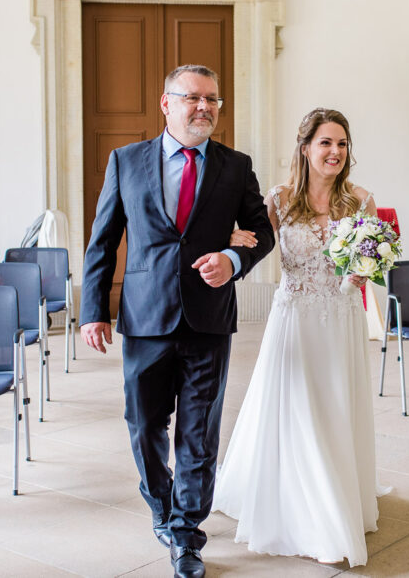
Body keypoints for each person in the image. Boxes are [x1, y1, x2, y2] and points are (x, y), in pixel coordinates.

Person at [79, 64, 274, 578]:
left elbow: (261, 231)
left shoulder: (236, 167)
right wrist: (93, 310)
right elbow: (102, 242)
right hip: (145, 316)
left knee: (198, 431)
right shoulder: (126, 161)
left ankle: (187, 533)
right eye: (192, 98)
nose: (204, 107)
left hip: (209, 317)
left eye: (212, 100)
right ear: (166, 103)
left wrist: (232, 262)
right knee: (144, 425)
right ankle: (161, 506)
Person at [212, 108, 388, 567]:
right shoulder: (280, 199)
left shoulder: (360, 202)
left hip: (343, 320)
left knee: (334, 408)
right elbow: (250, 240)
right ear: (305, 147)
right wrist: (228, 240)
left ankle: (338, 499)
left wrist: (361, 274)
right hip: (295, 319)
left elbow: (369, 264)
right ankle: (310, 511)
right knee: (299, 409)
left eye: (342, 144)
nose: (334, 152)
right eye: (325, 143)